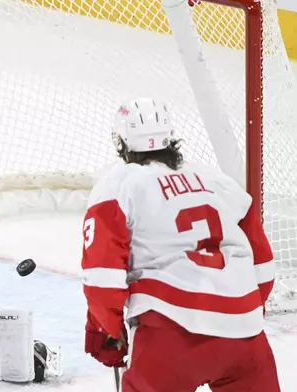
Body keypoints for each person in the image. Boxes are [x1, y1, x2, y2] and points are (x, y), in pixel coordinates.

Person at [81, 98, 280, 391]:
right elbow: (262, 264)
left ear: (121, 143)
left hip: (170, 331)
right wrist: (242, 316)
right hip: (245, 337)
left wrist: (108, 331)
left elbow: (102, 277)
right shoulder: (215, 179)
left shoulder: (118, 185)